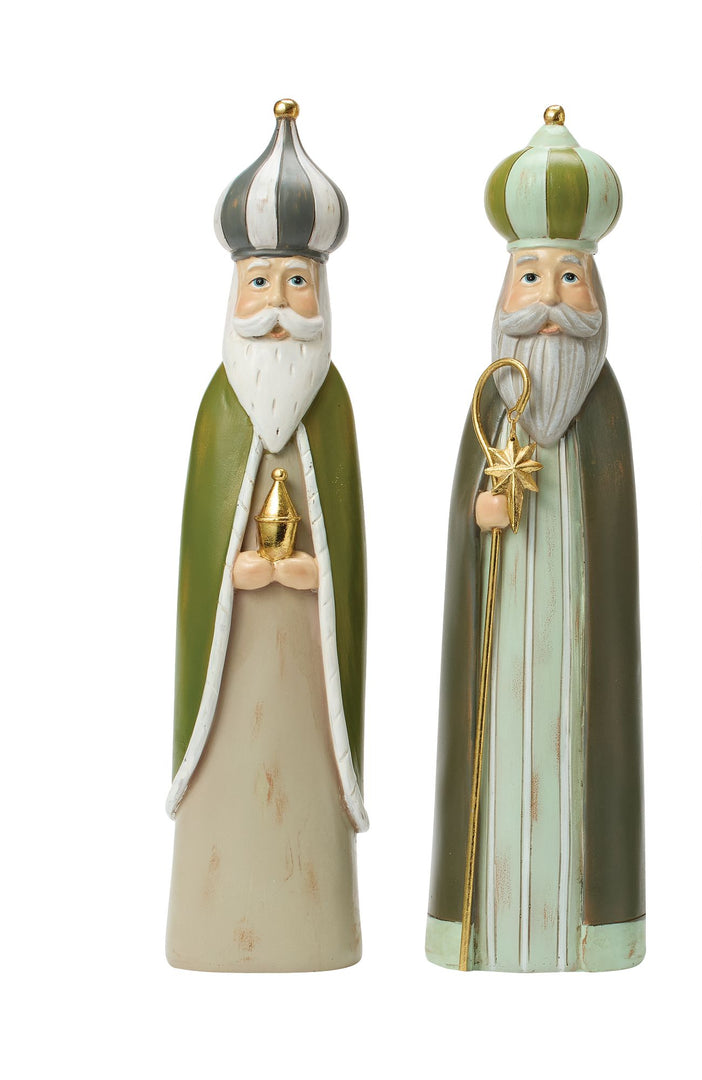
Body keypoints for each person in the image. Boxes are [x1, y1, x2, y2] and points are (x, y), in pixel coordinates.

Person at [427, 106, 645, 972]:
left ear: (596, 290)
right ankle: (483, 924)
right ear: (504, 291)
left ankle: (589, 930)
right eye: (530, 277)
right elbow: (462, 516)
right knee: (494, 765)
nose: (550, 301)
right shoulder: (493, 397)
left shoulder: (603, 407)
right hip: (505, 632)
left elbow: (617, 538)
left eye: (569, 277)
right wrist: (477, 518)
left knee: (580, 766)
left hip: (579, 647)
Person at [166, 100, 368, 972]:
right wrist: (235, 573)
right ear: (234, 293)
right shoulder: (221, 407)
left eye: (296, 283)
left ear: (321, 293)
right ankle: (215, 922)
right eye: (261, 284)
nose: (279, 306)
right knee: (232, 778)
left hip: (305, 660)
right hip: (238, 652)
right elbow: (200, 542)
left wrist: (321, 578)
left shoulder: (332, 405)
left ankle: (314, 923)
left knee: (302, 780)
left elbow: (348, 544)